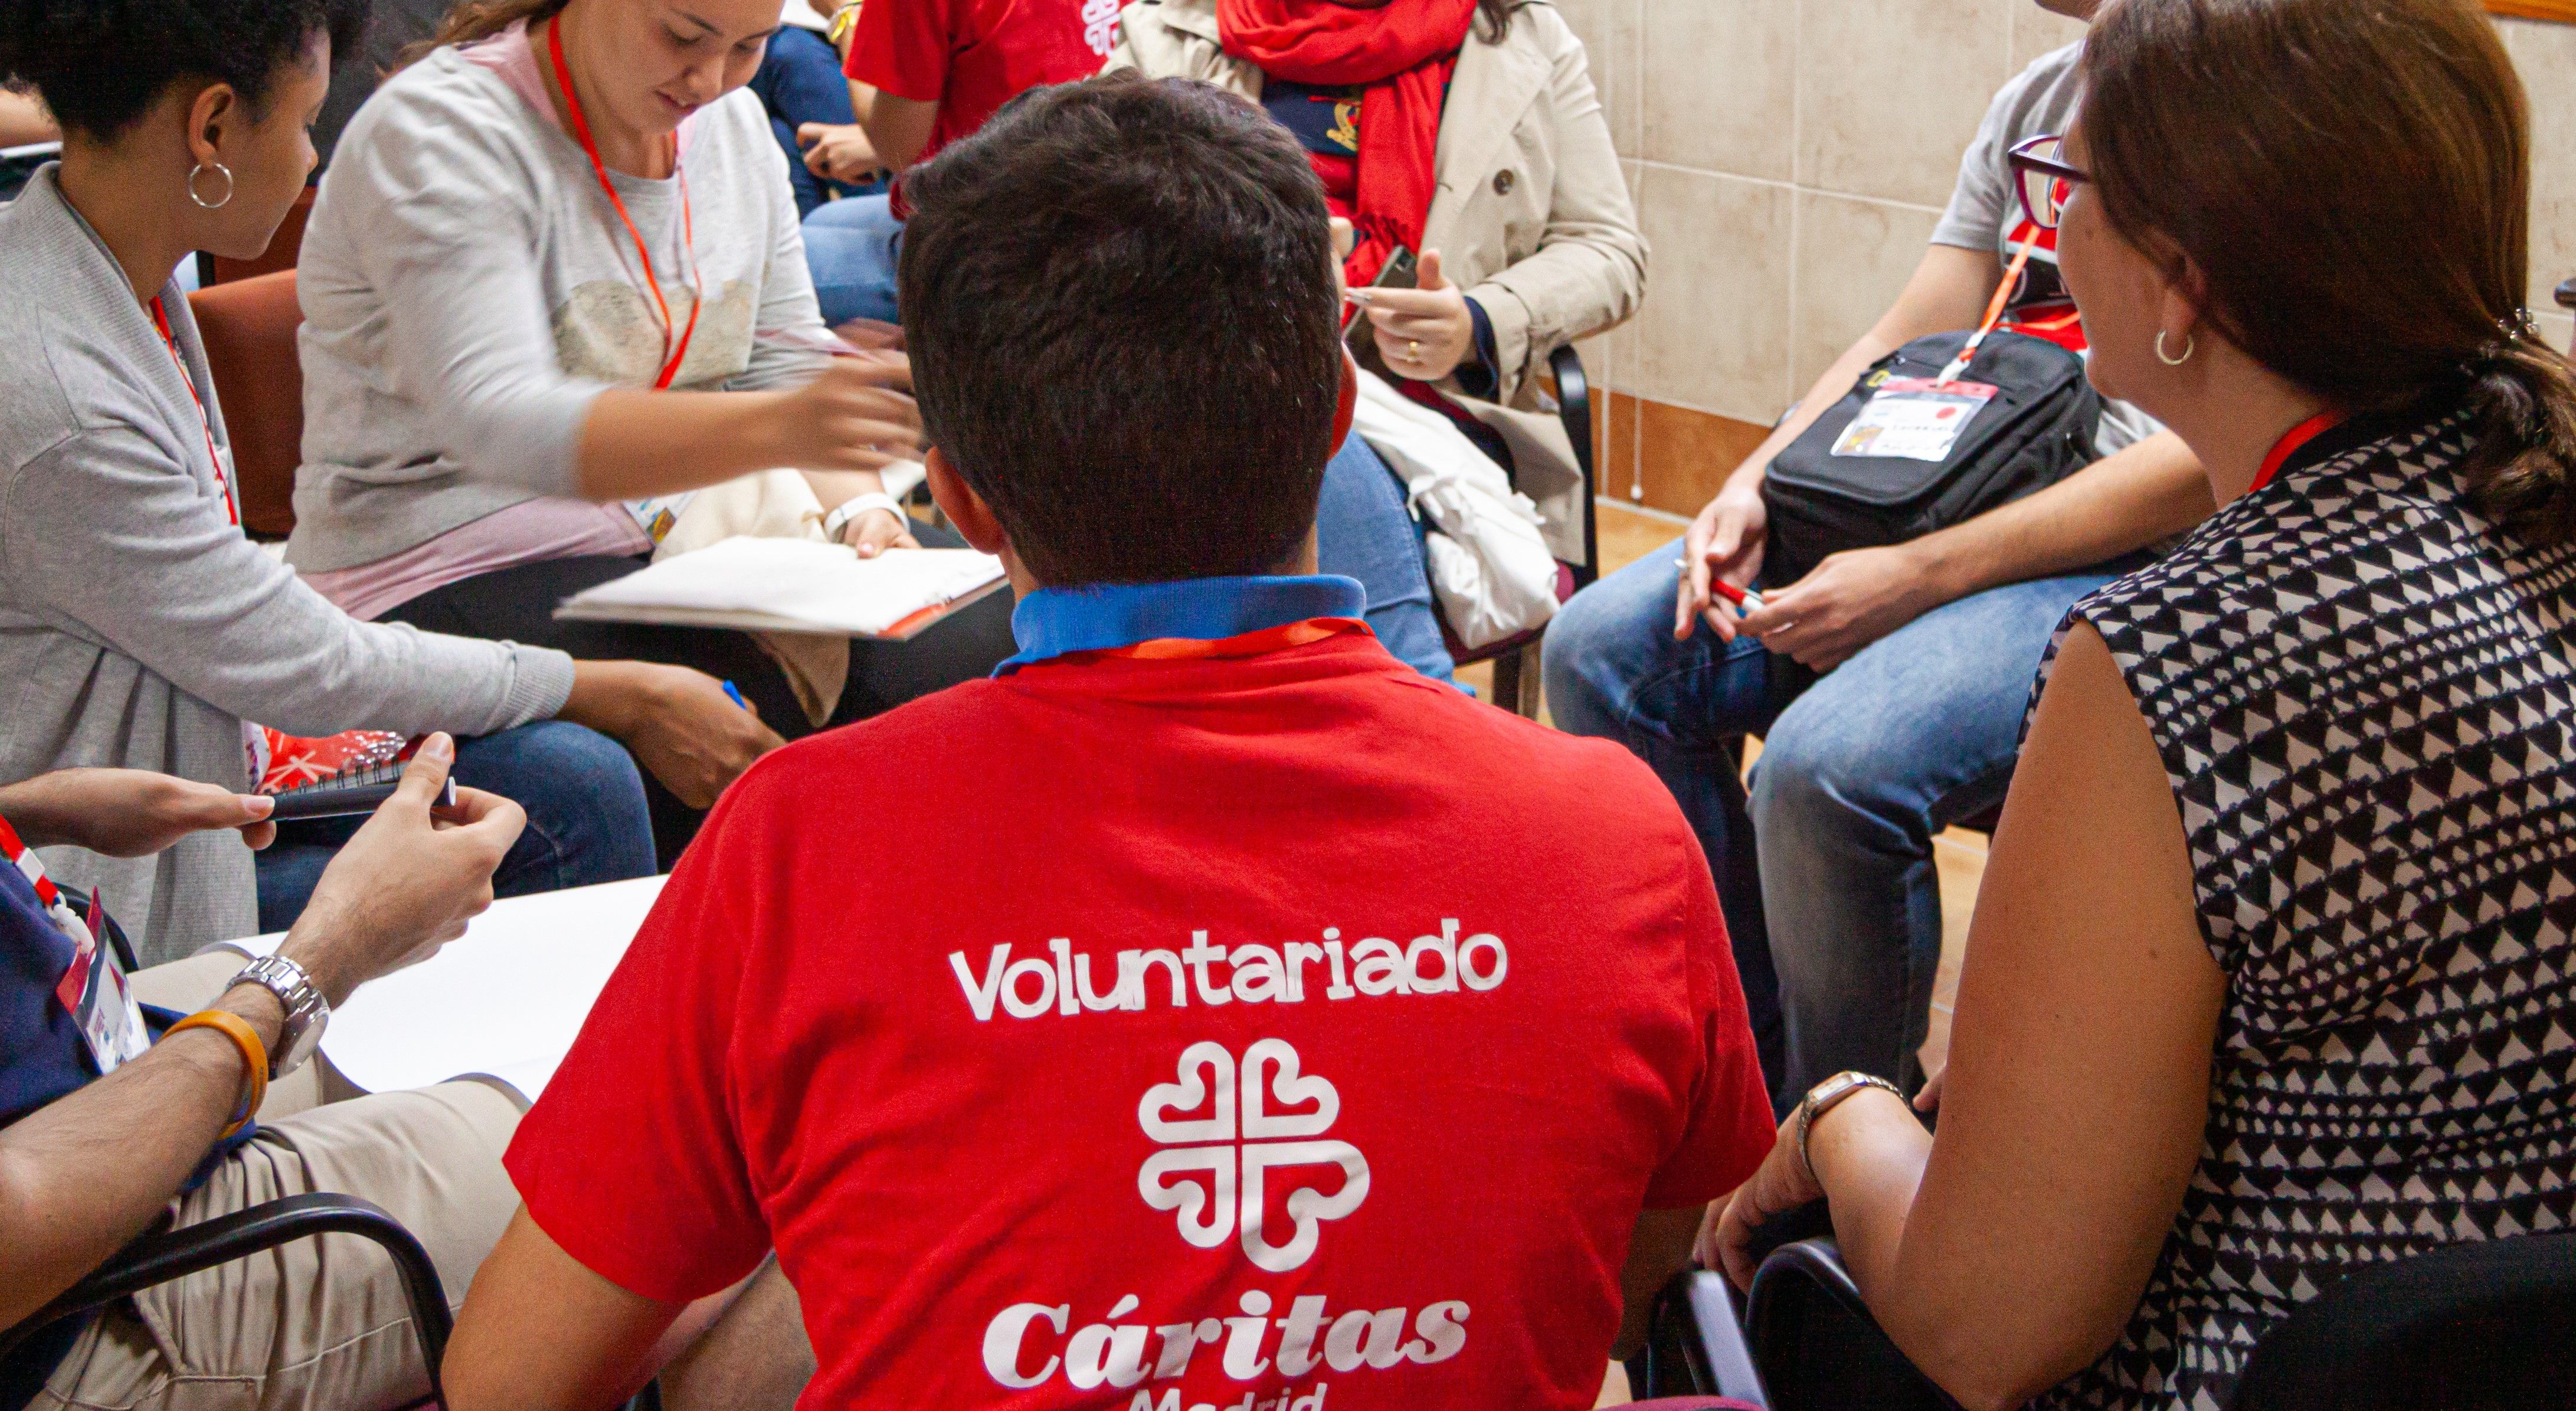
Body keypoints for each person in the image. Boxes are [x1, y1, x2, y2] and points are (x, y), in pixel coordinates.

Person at [443, 74, 1774, 1411]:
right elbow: (1631, 1263)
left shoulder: (798, 847)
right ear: (1332, 424)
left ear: (956, 495)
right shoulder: (1613, 833)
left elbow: (509, 1380)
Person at [1709, 2, 2576, 1407]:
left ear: (2180, 281)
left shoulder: (2177, 657)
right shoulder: (2525, 490)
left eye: (2073, 194)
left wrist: (1832, 1115)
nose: (2050, 233)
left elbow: (1987, 1325)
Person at [1541, 0, 2214, 1104]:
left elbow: (2202, 455)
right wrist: (1756, 477)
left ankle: (1837, 1141)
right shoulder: (2038, 96)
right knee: (1603, 650)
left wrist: (1919, 576)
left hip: (2123, 553)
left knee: (1827, 769)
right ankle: (1748, 1073)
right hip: (1943, 486)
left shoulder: (2234, 107)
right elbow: (1911, 330)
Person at [0, 0, 729, 961]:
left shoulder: (99, 269)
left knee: (566, 775)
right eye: (306, 124)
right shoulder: (66, 397)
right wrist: (598, 687)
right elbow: (303, 661)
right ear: (212, 126)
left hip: (217, 744)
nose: (313, 161)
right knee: (576, 790)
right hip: (110, 886)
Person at [289, 0, 1023, 865]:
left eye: (750, 47)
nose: (709, 80)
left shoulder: (732, 127)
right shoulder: (442, 133)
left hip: (665, 532)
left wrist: (862, 517)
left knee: (990, 639)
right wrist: (777, 428)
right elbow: (503, 422)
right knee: (744, 720)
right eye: (683, 37)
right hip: (441, 557)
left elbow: (783, 355)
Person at [0, 748, 809, 1411]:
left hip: (80, 1057)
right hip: (66, 1304)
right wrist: (323, 956)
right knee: (739, 1133)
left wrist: (23, 814)